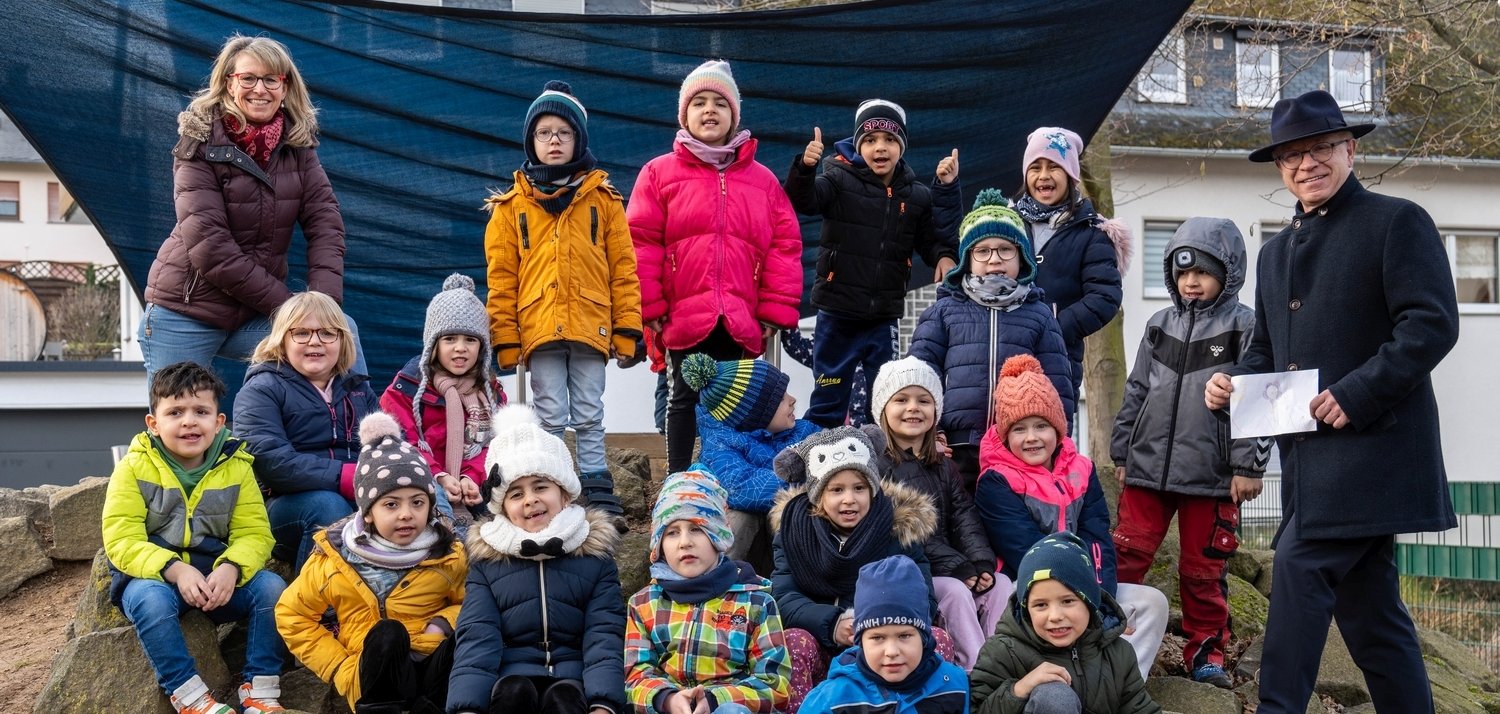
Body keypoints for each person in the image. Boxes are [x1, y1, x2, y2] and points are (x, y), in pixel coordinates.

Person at [1204, 89, 1460, 714]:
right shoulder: (1273, 253)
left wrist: (1357, 392)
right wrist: (1231, 385)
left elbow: (1431, 325)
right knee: (1373, 618)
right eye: (1290, 155)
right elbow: (1266, 351)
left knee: (1297, 567)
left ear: (1349, 150)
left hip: (1376, 453)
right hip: (1310, 464)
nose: (1305, 164)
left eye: (1320, 148)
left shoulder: (1397, 221)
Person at [138, 34, 364, 388]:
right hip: (185, 311)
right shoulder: (197, 144)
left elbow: (326, 225)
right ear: (229, 84)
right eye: (248, 78)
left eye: (271, 79)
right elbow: (211, 249)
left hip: (255, 313)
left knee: (340, 330)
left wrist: (321, 311)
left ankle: (364, 437)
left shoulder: (297, 146)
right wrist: (293, 311)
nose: (260, 89)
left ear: (284, 87)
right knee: (180, 424)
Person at [1109, 218, 1269, 688]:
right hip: (1147, 470)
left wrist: (1247, 465)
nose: (1191, 282)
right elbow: (1137, 390)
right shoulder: (1159, 326)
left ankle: (1206, 655)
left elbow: (1256, 397)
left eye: (1202, 272)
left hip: (1213, 474)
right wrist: (1123, 451)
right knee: (1127, 557)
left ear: (1229, 273)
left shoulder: (1244, 326)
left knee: (1203, 572)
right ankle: (1111, 641)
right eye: (1182, 274)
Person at [627, 59, 804, 474]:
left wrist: (772, 312)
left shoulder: (761, 181)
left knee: (735, 401)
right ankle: (677, 481)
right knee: (683, 398)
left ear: (734, 116)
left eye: (719, 104)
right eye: (699, 103)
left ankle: (728, 478)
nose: (709, 110)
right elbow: (641, 241)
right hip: (683, 313)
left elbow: (784, 245)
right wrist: (650, 306)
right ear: (684, 115)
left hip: (739, 317)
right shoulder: (658, 173)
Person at [485, 81, 641, 523]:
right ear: (531, 141)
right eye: (544, 132)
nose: (554, 140)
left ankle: (595, 482)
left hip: (592, 323)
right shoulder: (509, 208)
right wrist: (506, 339)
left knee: (590, 409)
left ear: (578, 140)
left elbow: (623, 270)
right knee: (549, 410)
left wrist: (627, 328)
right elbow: (502, 280)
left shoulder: (605, 201)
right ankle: (553, 480)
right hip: (538, 327)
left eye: (563, 132)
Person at [101, 361, 286, 714]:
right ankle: (190, 696)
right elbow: (120, 538)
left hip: (215, 580)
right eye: (175, 412)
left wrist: (232, 568)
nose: (189, 421)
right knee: (150, 602)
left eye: (201, 411)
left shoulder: (237, 466)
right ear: (154, 424)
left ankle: (260, 688)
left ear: (218, 423)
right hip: (154, 578)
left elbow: (254, 532)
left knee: (271, 587)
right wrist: (174, 569)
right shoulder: (133, 467)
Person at [974, 355, 1167, 680]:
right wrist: (1084, 605)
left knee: (1152, 602)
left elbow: (1098, 537)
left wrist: (1102, 598)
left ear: (1058, 429)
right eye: (1019, 429)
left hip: (1088, 583)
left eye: (1041, 426)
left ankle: (1123, 683)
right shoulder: (996, 480)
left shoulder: (1083, 469)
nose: (1032, 437)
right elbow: (1028, 552)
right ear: (1006, 436)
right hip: (1031, 586)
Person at [784, 98, 961, 428]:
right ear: (857, 144)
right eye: (870, 140)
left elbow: (931, 242)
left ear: (902, 147)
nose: (880, 147)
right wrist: (805, 169)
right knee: (828, 400)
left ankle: (885, 471)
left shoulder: (916, 196)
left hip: (883, 318)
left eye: (890, 140)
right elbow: (804, 201)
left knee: (885, 400)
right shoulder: (837, 180)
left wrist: (944, 255)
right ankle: (819, 468)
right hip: (836, 313)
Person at [276, 413, 466, 714]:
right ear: (367, 513)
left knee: (466, 645)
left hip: (432, 663)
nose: (406, 514)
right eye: (391, 504)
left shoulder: (447, 552)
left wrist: (443, 623)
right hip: (371, 676)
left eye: (417, 502)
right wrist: (340, 667)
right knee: (387, 634)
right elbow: (292, 615)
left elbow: (471, 603)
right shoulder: (335, 559)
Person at [446, 404, 626, 714]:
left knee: (566, 700)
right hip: (511, 677)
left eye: (541, 487)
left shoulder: (594, 556)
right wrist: (468, 706)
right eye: (516, 494)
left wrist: (604, 702)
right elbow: (477, 637)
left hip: (575, 678)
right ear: (502, 508)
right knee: (513, 692)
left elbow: (603, 635)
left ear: (564, 494)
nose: (530, 499)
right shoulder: (489, 564)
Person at [768, 426, 952, 713]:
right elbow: (784, 597)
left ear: (872, 488)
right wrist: (832, 623)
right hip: (823, 640)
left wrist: (879, 627)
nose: (849, 499)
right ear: (818, 496)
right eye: (836, 490)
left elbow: (923, 599)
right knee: (793, 642)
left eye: (859, 488)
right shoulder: (794, 533)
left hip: (886, 646)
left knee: (937, 639)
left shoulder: (897, 529)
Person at [908, 190, 1074, 492]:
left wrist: (1060, 443)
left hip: (1019, 447)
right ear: (967, 259)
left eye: (1004, 249)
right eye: (982, 251)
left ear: (1021, 255)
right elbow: (920, 377)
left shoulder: (1039, 315)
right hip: (955, 447)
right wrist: (929, 433)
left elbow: (1058, 385)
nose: (994, 259)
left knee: (1008, 528)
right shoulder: (944, 311)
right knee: (959, 524)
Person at [868, 356, 1006, 671]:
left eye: (924, 400)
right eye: (901, 400)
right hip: (911, 570)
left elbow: (963, 515)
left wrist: (981, 562)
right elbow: (905, 532)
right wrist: (958, 567)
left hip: (955, 565)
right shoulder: (876, 467)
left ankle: (1001, 660)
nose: (913, 407)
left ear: (936, 410)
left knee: (1001, 585)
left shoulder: (944, 465)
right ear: (882, 410)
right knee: (956, 592)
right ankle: (976, 669)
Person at [232, 291, 381, 571]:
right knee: (328, 506)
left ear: (342, 341)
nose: (315, 341)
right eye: (301, 333)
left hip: (359, 494)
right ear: (282, 340)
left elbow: (388, 445)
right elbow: (270, 460)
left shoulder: (359, 389)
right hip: (284, 507)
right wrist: (343, 476)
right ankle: (317, 605)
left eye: (327, 333)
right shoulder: (262, 389)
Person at [625, 469, 790, 714]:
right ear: (659, 545)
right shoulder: (643, 604)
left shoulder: (756, 601)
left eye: (696, 529)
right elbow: (636, 677)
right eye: (671, 532)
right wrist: (667, 699)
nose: (684, 542)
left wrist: (715, 700)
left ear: (718, 535)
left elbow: (775, 684)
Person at [969, 533, 1161, 714]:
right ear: (1026, 609)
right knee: (1054, 696)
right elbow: (977, 708)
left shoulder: (1119, 653)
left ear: (1090, 601)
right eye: (1041, 605)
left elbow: (1139, 708)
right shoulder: (1002, 652)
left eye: (1068, 601)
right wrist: (1018, 690)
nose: (1055, 616)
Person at [1012, 127, 1128, 413]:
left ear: (1070, 175)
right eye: (1035, 167)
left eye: (1054, 167)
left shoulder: (1091, 232)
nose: (1044, 176)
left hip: (1059, 358)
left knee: (1049, 436)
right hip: (1006, 350)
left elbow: (1105, 297)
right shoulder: (1006, 223)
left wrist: (1055, 327)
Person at [383, 274, 507, 534]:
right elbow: (405, 441)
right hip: (422, 479)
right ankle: (456, 544)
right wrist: (440, 475)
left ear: (482, 347)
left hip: (473, 482)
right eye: (450, 339)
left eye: (470, 340)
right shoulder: (406, 388)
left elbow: (492, 445)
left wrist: (471, 478)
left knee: (504, 511)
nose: (460, 348)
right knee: (435, 502)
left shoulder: (491, 394)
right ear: (433, 345)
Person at [681, 352, 820, 569]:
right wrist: (812, 480)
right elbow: (744, 488)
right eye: (782, 399)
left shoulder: (799, 430)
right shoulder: (720, 449)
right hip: (754, 543)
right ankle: (723, 581)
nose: (793, 400)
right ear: (757, 415)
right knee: (741, 518)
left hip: (787, 539)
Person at [800, 556, 970, 714]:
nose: (891, 651)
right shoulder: (831, 701)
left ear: (924, 637)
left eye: (904, 636)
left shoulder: (955, 685)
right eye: (877, 638)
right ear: (859, 641)